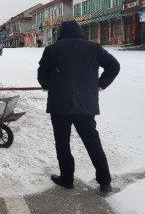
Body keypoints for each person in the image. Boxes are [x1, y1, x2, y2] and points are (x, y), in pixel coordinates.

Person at [37, 20, 120, 194]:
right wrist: (99, 84)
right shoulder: (93, 48)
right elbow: (114, 66)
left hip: (59, 105)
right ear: (79, 31)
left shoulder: (52, 49)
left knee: (62, 143)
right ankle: (105, 181)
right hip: (85, 104)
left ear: (61, 33)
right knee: (92, 142)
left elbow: (42, 75)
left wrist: (47, 84)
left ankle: (67, 179)